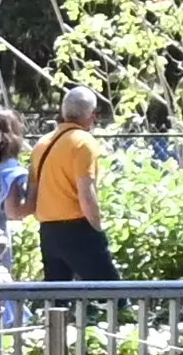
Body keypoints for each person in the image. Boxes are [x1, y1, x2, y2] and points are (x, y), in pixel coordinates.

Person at [29, 90, 119, 283]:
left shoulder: (42, 144)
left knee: (57, 298)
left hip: (48, 231)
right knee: (111, 295)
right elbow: (86, 193)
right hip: (78, 228)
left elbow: (34, 192)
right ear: (91, 115)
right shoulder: (82, 142)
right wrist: (97, 230)